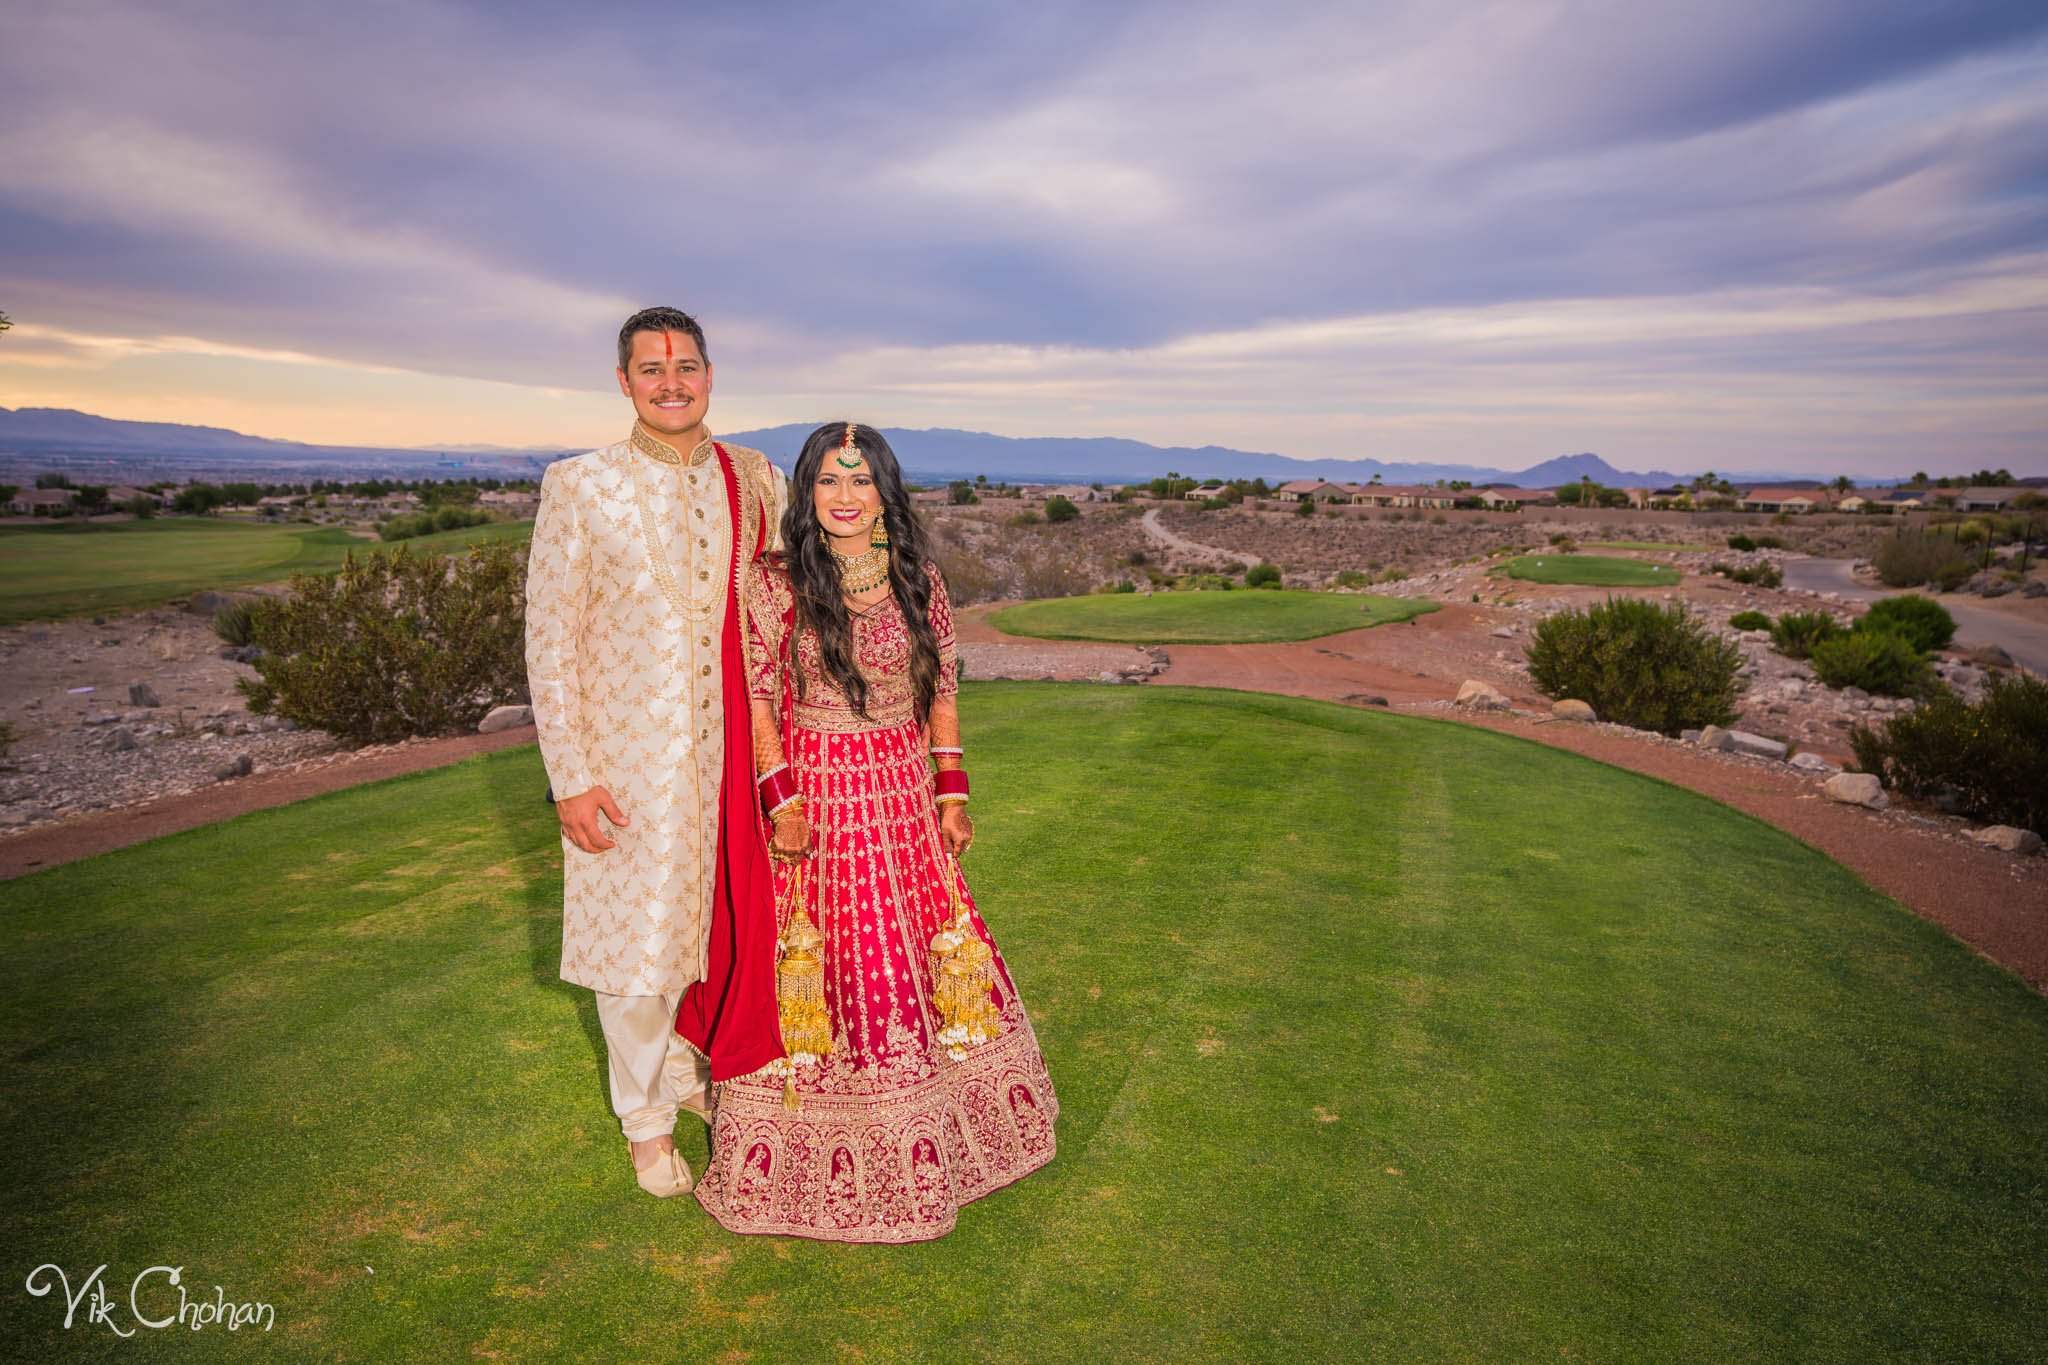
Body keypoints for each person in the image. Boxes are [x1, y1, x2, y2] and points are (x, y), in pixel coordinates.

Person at [691, 422, 1058, 1243]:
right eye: (827, 481)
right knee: (827, 956)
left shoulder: (918, 579)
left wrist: (951, 793)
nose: (844, 497)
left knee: (916, 953)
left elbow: (943, 692)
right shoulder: (774, 584)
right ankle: (810, 1137)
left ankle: (933, 1131)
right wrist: (781, 800)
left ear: (884, 492)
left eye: (859, 480)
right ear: (806, 492)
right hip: (817, 795)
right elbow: (756, 698)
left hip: (902, 794)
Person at [525, 307, 787, 1199]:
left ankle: (690, 1061)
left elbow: (786, 613)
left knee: (719, 935)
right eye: (651, 369)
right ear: (624, 381)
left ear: (710, 372)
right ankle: (645, 1121)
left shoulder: (756, 478)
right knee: (634, 950)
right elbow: (548, 642)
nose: (671, 382)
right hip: (628, 763)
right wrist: (571, 776)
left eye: (686, 365)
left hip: (740, 761)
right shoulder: (581, 486)